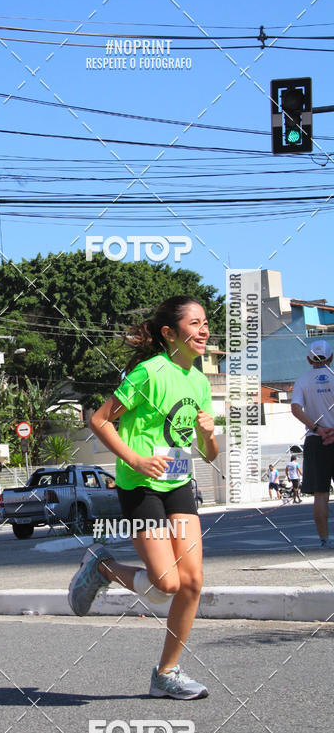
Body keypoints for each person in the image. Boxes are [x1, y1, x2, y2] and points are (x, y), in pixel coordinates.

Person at [68, 296, 218, 700]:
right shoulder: (149, 373)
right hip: (140, 485)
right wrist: (135, 458)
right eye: (194, 323)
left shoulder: (200, 381)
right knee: (166, 583)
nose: (203, 330)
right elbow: (98, 420)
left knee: (192, 582)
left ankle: (166, 673)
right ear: (170, 333)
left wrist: (208, 432)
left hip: (179, 483)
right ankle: (103, 567)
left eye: (205, 322)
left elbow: (209, 455)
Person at [291, 338, 334, 547]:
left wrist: (317, 429)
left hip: (316, 441)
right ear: (331, 357)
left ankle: (324, 539)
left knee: (320, 494)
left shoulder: (303, 380)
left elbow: (296, 409)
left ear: (309, 359)